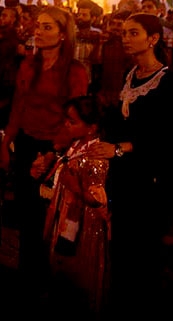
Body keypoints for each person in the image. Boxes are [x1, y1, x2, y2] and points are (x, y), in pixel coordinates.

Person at [86, 12, 173, 315]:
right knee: (122, 246)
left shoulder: (167, 81)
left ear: (153, 39)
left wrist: (117, 148)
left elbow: (162, 138)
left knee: (142, 250)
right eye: (124, 33)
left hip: (148, 176)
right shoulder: (132, 74)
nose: (126, 38)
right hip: (125, 172)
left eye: (133, 33)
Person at [0, 5, 88, 292]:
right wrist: (5, 143)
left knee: (49, 216)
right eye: (38, 25)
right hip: (26, 144)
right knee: (26, 213)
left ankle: (47, 281)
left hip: (55, 149)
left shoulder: (75, 72)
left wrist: (54, 153)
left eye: (47, 27)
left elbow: (76, 119)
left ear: (63, 35)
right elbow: (18, 106)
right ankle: (27, 275)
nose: (38, 31)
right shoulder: (28, 65)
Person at [31, 95, 110, 316]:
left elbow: (97, 200)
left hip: (83, 223)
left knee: (76, 268)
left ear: (91, 128)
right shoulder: (74, 146)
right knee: (60, 261)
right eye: (66, 119)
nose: (66, 124)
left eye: (72, 121)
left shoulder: (95, 156)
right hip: (65, 215)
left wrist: (73, 186)